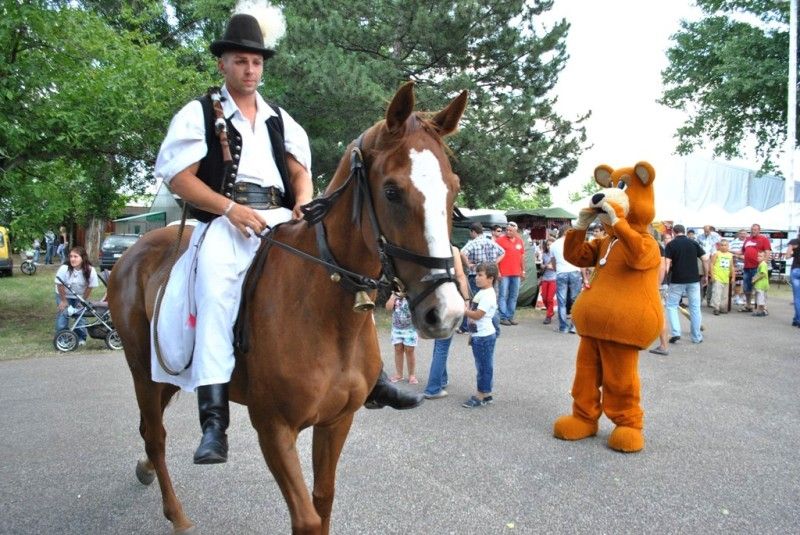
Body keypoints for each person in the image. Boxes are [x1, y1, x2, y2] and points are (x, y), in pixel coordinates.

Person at [152, 7, 420, 465]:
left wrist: (303, 201)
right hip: (224, 222)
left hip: (280, 216)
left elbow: (299, 173)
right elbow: (179, 177)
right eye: (240, 61)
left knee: (343, 274)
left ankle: (372, 377)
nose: (249, 69)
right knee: (214, 290)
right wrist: (229, 208)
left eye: (256, 62)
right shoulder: (199, 113)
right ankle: (214, 419)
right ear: (222, 64)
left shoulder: (279, 118)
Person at [424, 245, 470, 399]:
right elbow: (460, 276)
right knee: (442, 347)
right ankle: (433, 388)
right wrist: (466, 299)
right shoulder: (452, 249)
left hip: (432, 301)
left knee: (439, 344)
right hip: (448, 301)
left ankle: (441, 379)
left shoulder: (428, 248)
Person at [462, 262, 499, 408]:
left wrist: (463, 311)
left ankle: (480, 395)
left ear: (490, 278)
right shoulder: (482, 292)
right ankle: (486, 394)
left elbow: (478, 315)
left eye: (480, 275)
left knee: (484, 367)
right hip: (479, 336)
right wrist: (471, 336)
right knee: (482, 365)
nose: (476, 277)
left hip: (484, 337)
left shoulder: (488, 295)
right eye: (476, 274)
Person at [664, 224, 709, 344]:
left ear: (674, 232)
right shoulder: (693, 243)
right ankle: (696, 337)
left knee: (671, 305)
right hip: (693, 279)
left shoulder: (671, 245)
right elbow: (705, 259)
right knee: (695, 307)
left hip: (677, 280)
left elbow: (667, 263)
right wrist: (706, 275)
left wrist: (664, 278)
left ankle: (676, 332)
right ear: (684, 231)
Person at [460, 222, 504, 333]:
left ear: (473, 232)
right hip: (490, 275)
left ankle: (466, 327)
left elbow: (462, 253)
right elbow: (503, 252)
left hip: (477, 275)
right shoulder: (490, 241)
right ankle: (496, 328)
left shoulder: (473, 243)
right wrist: (494, 263)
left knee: (474, 302)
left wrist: (468, 264)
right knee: (491, 303)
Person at [54, 246, 99, 346]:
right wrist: (63, 301)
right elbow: (59, 284)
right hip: (63, 294)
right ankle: (62, 337)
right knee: (64, 313)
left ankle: (81, 338)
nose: (72, 259)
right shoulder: (64, 268)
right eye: (71, 256)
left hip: (79, 295)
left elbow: (90, 287)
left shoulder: (90, 270)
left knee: (80, 315)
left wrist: (82, 301)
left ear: (83, 258)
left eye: (75, 256)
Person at [550, 224, 581, 333]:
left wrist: (557, 269)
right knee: (575, 300)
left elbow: (553, 261)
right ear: (566, 232)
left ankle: (563, 327)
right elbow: (580, 259)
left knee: (561, 301)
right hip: (575, 271)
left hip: (561, 272)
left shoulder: (554, 245)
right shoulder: (575, 242)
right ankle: (574, 327)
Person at [495, 221, 525, 325]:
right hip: (504, 273)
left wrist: (523, 270)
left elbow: (522, 257)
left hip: (516, 272)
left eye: (510, 230)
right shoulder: (499, 240)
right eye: (507, 230)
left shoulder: (519, 241)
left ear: (516, 231)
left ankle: (510, 316)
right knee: (503, 295)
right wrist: (498, 271)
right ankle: (503, 317)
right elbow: (495, 257)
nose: (508, 232)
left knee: (514, 296)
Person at [386, 291, 418, 384]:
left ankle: (412, 375)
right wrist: (393, 297)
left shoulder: (413, 293)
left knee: (410, 351)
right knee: (398, 350)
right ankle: (399, 374)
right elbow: (388, 308)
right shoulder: (394, 294)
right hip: (397, 329)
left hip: (411, 329)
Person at [739, 223, 771, 312]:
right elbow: (742, 252)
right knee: (746, 288)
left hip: (757, 267)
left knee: (759, 288)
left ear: (759, 230)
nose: (753, 231)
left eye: (755, 229)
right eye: (752, 229)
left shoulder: (764, 239)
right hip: (747, 267)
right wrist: (729, 251)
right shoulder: (747, 239)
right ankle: (748, 305)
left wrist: (764, 263)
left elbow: (767, 252)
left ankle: (763, 307)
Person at [649, 234, 672, 355]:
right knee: (659, 314)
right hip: (659, 285)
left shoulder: (653, 245)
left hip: (656, 285)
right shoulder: (657, 245)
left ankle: (664, 345)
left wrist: (657, 285)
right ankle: (663, 344)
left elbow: (662, 268)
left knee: (660, 315)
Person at [709, 239, 734, 315]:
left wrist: (733, 277)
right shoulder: (717, 254)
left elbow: (732, 266)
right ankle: (716, 308)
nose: (723, 247)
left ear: (728, 246)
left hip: (726, 277)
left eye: (725, 245)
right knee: (717, 293)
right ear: (719, 246)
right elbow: (712, 264)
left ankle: (722, 307)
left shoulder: (730, 255)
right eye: (722, 245)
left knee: (724, 294)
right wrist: (712, 275)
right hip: (717, 277)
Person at [539, 236, 557, 325]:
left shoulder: (557, 255)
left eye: (551, 245)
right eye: (548, 245)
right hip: (545, 278)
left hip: (554, 279)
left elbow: (558, 268)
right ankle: (550, 311)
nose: (549, 246)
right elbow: (541, 264)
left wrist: (551, 267)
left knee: (549, 298)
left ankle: (548, 315)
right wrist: (543, 266)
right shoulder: (544, 254)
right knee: (544, 298)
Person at [729, 228, 748, 306]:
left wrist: (741, 256)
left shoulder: (748, 242)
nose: (743, 235)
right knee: (738, 283)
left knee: (746, 282)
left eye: (744, 234)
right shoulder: (733, 242)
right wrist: (737, 255)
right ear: (738, 234)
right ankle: (736, 298)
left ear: (746, 234)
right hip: (737, 265)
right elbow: (729, 251)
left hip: (747, 265)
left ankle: (744, 297)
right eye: (741, 234)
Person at [785, 233, 800, 327]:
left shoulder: (794, 242)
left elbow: (787, 256)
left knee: (797, 298)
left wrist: (793, 253)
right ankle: (796, 319)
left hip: (796, 270)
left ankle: (798, 320)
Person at [750, 250, 770, 317]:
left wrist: (754, 279)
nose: (758, 257)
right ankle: (761, 311)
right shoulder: (761, 264)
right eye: (758, 256)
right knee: (761, 298)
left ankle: (761, 311)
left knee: (760, 299)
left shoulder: (763, 264)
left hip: (761, 285)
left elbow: (762, 274)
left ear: (764, 257)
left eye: (760, 256)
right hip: (761, 285)